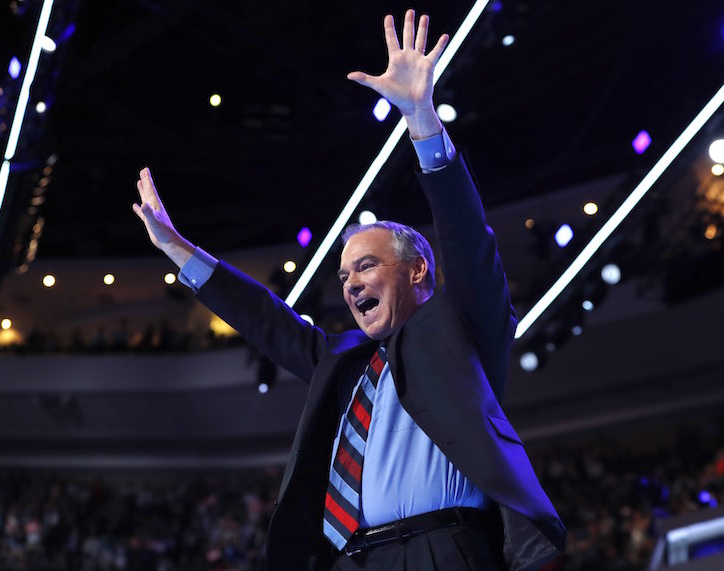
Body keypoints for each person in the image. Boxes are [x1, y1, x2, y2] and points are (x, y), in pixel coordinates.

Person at [132, 9, 565, 571]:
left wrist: (423, 122)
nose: (351, 283)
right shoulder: (339, 361)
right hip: (352, 561)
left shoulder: (462, 332)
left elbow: (467, 242)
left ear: (416, 272)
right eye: (343, 276)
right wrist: (179, 252)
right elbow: (267, 319)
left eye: (365, 266)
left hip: (443, 551)